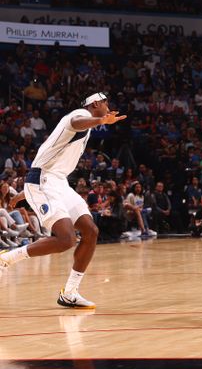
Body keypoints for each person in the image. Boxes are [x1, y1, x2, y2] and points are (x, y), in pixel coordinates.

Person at [0, 92, 126, 309]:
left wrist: (24, 193)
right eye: (106, 102)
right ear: (95, 103)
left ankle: (70, 293)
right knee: (66, 239)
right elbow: (77, 122)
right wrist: (100, 120)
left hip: (56, 182)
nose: (108, 106)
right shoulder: (80, 115)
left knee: (90, 231)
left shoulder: (86, 126)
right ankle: (6, 258)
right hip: (44, 180)